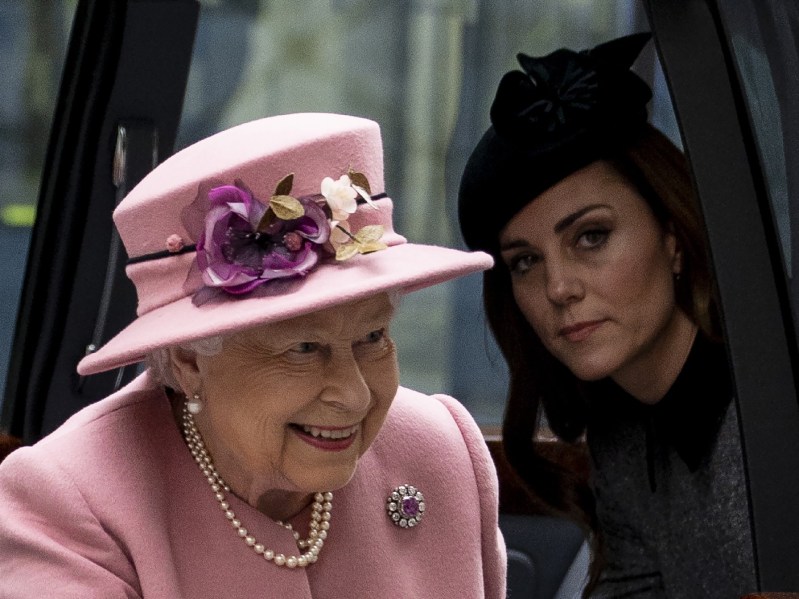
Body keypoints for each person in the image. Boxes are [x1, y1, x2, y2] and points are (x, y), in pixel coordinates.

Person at [0, 113, 506, 598]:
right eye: (305, 348)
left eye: (372, 337)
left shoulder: (441, 451)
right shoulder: (69, 502)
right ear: (190, 361)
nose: (354, 395)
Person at [458, 33, 755, 598]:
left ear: (672, 237)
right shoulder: (626, 437)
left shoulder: (767, 421)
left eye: (591, 236)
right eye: (525, 261)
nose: (559, 287)